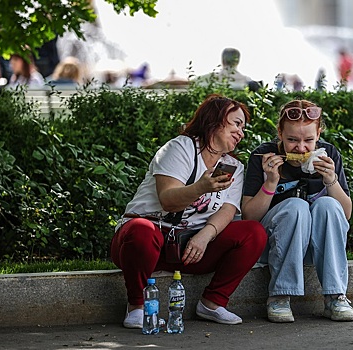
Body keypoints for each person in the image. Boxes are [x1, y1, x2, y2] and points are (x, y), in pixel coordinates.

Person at [111, 94, 267, 329]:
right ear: (215, 119)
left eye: (243, 127)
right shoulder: (180, 147)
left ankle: (212, 303)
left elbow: (228, 209)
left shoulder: (234, 166)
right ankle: (137, 307)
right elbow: (168, 201)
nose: (241, 132)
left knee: (253, 232)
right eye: (236, 123)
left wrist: (205, 236)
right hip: (145, 243)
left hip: (191, 247)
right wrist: (201, 187)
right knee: (141, 230)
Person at [241, 99, 353, 323]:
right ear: (280, 134)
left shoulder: (330, 154)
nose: (301, 148)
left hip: (319, 247)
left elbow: (346, 214)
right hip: (273, 245)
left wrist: (331, 180)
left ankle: (335, 296)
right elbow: (249, 217)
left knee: (328, 205)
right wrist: (271, 182)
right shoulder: (263, 156)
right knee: (297, 206)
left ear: (319, 134)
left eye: (309, 140)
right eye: (292, 140)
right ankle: (280, 295)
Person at [194, 47, 260, 91]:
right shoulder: (247, 81)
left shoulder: (209, 78)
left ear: (223, 60)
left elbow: (190, 84)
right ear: (238, 61)